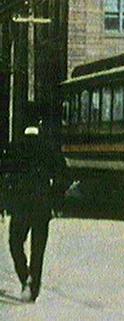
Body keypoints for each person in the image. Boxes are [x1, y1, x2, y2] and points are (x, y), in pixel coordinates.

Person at [2, 126, 67, 302]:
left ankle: (25, 278)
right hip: (42, 206)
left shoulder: (15, 148)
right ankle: (33, 289)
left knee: (15, 243)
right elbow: (63, 175)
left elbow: (4, 176)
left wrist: (5, 202)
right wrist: (56, 199)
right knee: (38, 250)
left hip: (21, 205)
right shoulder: (48, 148)